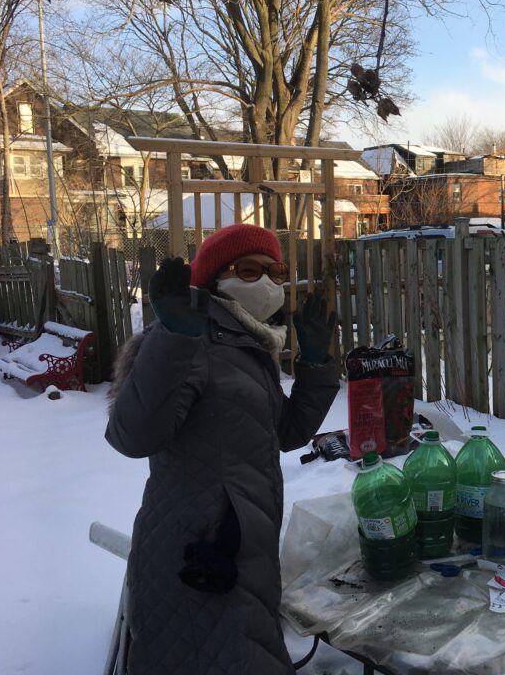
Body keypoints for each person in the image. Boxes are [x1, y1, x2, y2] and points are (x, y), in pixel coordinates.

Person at [106, 223, 340, 674]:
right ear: (216, 278)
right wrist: (172, 338)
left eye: (276, 271)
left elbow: (284, 433)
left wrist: (314, 366)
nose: (269, 283)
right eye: (249, 271)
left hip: (240, 550)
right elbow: (131, 436)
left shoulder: (243, 343)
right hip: (197, 557)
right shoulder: (191, 338)